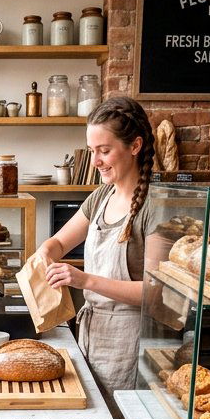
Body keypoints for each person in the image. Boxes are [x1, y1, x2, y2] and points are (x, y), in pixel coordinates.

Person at [35, 95, 156, 393]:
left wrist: (84, 280)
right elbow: (58, 242)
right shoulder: (101, 196)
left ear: (135, 146)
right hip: (92, 334)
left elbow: (156, 293)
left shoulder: (155, 206)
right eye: (92, 151)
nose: (95, 162)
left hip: (131, 343)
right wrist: (45, 254)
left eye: (104, 150)